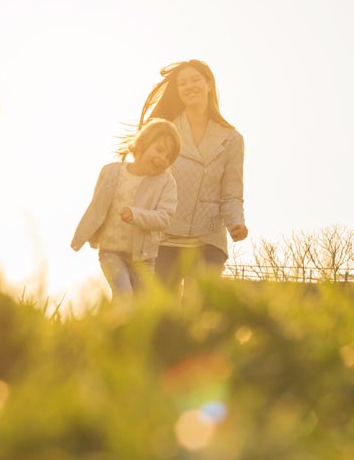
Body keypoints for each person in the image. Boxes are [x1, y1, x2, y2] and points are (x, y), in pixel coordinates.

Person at [138, 60, 247, 285]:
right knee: (164, 314)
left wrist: (237, 222)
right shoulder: (164, 130)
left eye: (195, 80)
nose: (189, 86)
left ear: (209, 84)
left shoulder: (232, 139)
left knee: (201, 313)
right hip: (164, 238)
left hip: (208, 241)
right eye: (182, 83)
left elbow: (231, 193)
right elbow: (143, 180)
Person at [71, 118, 181, 296]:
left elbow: (165, 217)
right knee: (124, 294)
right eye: (159, 150)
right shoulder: (110, 172)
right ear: (143, 144)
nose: (162, 158)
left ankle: (121, 323)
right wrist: (84, 236)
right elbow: (97, 207)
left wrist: (136, 215)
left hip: (143, 258)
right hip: (110, 251)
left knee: (140, 306)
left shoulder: (166, 182)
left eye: (168, 156)